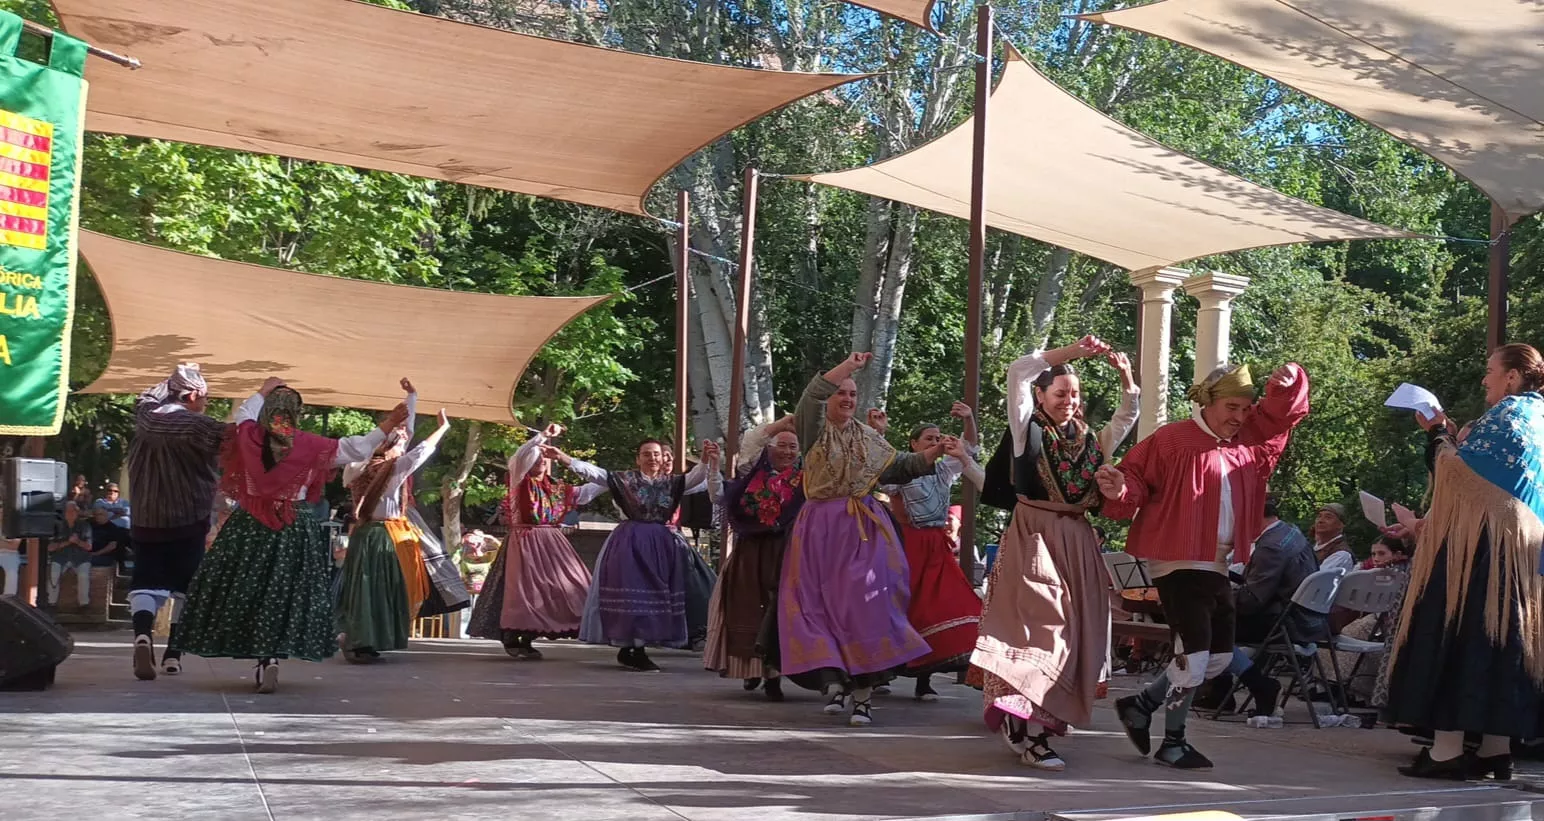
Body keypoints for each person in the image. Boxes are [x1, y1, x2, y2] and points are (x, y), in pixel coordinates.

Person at [1100, 360, 1310, 769]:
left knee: (1217, 656)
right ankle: (1173, 741)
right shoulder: (1172, 439)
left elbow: (1280, 417)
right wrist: (1122, 486)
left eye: (1246, 408)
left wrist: (1287, 384)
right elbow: (1136, 478)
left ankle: (1141, 705)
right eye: (1232, 406)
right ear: (1208, 402)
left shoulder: (1246, 442)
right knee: (1195, 654)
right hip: (1177, 557)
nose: (1240, 416)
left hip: (1215, 562)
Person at [174, 379, 409, 693]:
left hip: (250, 524)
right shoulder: (310, 444)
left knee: (249, 589)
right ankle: (271, 657)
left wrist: (262, 390)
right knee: (284, 592)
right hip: (293, 525)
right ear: (296, 414)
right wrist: (390, 422)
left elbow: (245, 413)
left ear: (269, 411)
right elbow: (358, 447)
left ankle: (262, 655)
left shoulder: (249, 435)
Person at [971, 336, 1139, 770]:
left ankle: (1040, 726)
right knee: (1040, 627)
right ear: (1041, 397)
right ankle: (1021, 725)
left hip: (1077, 539)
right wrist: (1070, 353)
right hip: (1035, 534)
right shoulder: (1027, 430)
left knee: (1073, 633)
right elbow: (1016, 373)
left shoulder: (1090, 440)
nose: (1069, 400)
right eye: (1060, 392)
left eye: (1075, 393)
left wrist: (1127, 382)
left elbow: (1127, 416)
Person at [1384, 343, 1544, 780]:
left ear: (1512, 376)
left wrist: (1437, 432)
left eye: (1490, 370)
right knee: (1505, 642)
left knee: (1459, 633)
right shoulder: (1539, 418)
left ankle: (1447, 750)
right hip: (1523, 557)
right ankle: (1496, 749)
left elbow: (1459, 477)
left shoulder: (1509, 415)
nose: (1484, 378)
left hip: (1482, 550)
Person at [779, 352, 959, 726]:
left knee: (867, 604)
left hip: (862, 526)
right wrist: (848, 367)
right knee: (818, 605)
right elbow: (810, 398)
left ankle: (863, 692)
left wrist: (935, 451)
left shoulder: (866, 438)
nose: (847, 399)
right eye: (841, 392)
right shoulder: (814, 429)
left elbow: (900, 467)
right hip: (820, 527)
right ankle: (836, 677)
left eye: (853, 394)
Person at [566, 439, 719, 671]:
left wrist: (706, 459)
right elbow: (597, 474)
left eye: (656, 454)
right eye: (646, 454)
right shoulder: (625, 480)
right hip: (630, 541)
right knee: (634, 591)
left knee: (657, 594)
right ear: (638, 459)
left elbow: (695, 478)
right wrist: (566, 459)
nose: (653, 458)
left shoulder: (672, 482)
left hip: (660, 543)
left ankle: (634, 648)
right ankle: (634, 649)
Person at [125, 363, 235, 680]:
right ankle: (173, 655)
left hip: (146, 518)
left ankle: (143, 635)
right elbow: (233, 438)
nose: (207, 404)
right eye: (205, 397)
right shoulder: (199, 428)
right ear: (194, 395)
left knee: (145, 582)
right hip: (189, 518)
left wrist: (175, 376)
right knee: (187, 588)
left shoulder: (146, 416)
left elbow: (147, 395)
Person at [466, 424, 600, 658]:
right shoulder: (519, 480)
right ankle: (514, 635)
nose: (540, 460)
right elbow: (520, 456)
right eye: (536, 456)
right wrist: (542, 437)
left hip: (553, 545)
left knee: (571, 588)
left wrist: (615, 478)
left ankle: (528, 636)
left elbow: (596, 485)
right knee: (523, 592)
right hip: (525, 541)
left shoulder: (559, 488)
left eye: (544, 457)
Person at [336, 397, 452, 662]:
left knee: (364, 591)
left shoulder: (358, 468)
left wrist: (411, 399)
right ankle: (362, 641)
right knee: (378, 590)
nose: (402, 444)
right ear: (388, 447)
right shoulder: (391, 469)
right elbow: (420, 450)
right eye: (397, 442)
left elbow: (407, 440)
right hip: (382, 537)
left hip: (364, 534)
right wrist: (442, 429)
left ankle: (358, 638)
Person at [888, 401, 983, 703]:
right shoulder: (901, 468)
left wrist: (968, 418)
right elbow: (876, 480)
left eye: (938, 437)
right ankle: (881, 671)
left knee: (947, 603)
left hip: (936, 545)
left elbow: (970, 448)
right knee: (907, 607)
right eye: (929, 438)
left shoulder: (943, 471)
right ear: (913, 443)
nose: (936, 441)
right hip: (907, 543)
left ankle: (925, 680)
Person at [704, 421, 803, 700]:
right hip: (750, 553)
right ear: (769, 449)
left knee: (780, 612)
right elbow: (719, 495)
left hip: (787, 553)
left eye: (792, 447)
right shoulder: (751, 475)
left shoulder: (806, 480)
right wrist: (713, 466)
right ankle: (750, 669)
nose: (786, 451)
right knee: (747, 609)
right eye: (781, 445)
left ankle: (774, 677)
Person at [1196, 495, 1312, 715]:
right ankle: (1221, 693)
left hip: (1286, 624)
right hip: (1305, 619)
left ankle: (1259, 686)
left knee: (1205, 626)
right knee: (1213, 620)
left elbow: (1251, 601)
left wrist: (1216, 596)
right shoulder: (1290, 533)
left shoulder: (1271, 547)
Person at [47, 501, 94, 609]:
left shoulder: (85, 526)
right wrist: (68, 542)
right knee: (53, 573)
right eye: (68, 511)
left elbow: (89, 546)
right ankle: (51, 603)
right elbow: (50, 547)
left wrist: (77, 541)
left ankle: (84, 604)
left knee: (83, 576)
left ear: (77, 513)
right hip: (60, 557)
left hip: (81, 558)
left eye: (73, 511)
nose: (71, 513)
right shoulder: (57, 526)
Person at [90, 483, 132, 569]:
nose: (112, 492)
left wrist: (109, 510)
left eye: (115, 491)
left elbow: (127, 511)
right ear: (106, 491)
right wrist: (118, 513)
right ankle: (121, 563)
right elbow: (99, 511)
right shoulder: (100, 501)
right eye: (110, 490)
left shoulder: (124, 502)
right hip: (108, 529)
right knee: (119, 538)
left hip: (125, 530)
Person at [1313, 503, 1355, 572]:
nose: (1320, 521)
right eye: (1319, 516)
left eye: (1328, 517)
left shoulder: (1341, 554)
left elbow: (1315, 579)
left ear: (1341, 524)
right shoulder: (1314, 548)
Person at [0, 501, 21, 597]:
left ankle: (9, 601)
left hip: (10, 554)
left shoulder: (15, 526)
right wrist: (6, 543)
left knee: (12, 573)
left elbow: (14, 546)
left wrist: (4, 544)